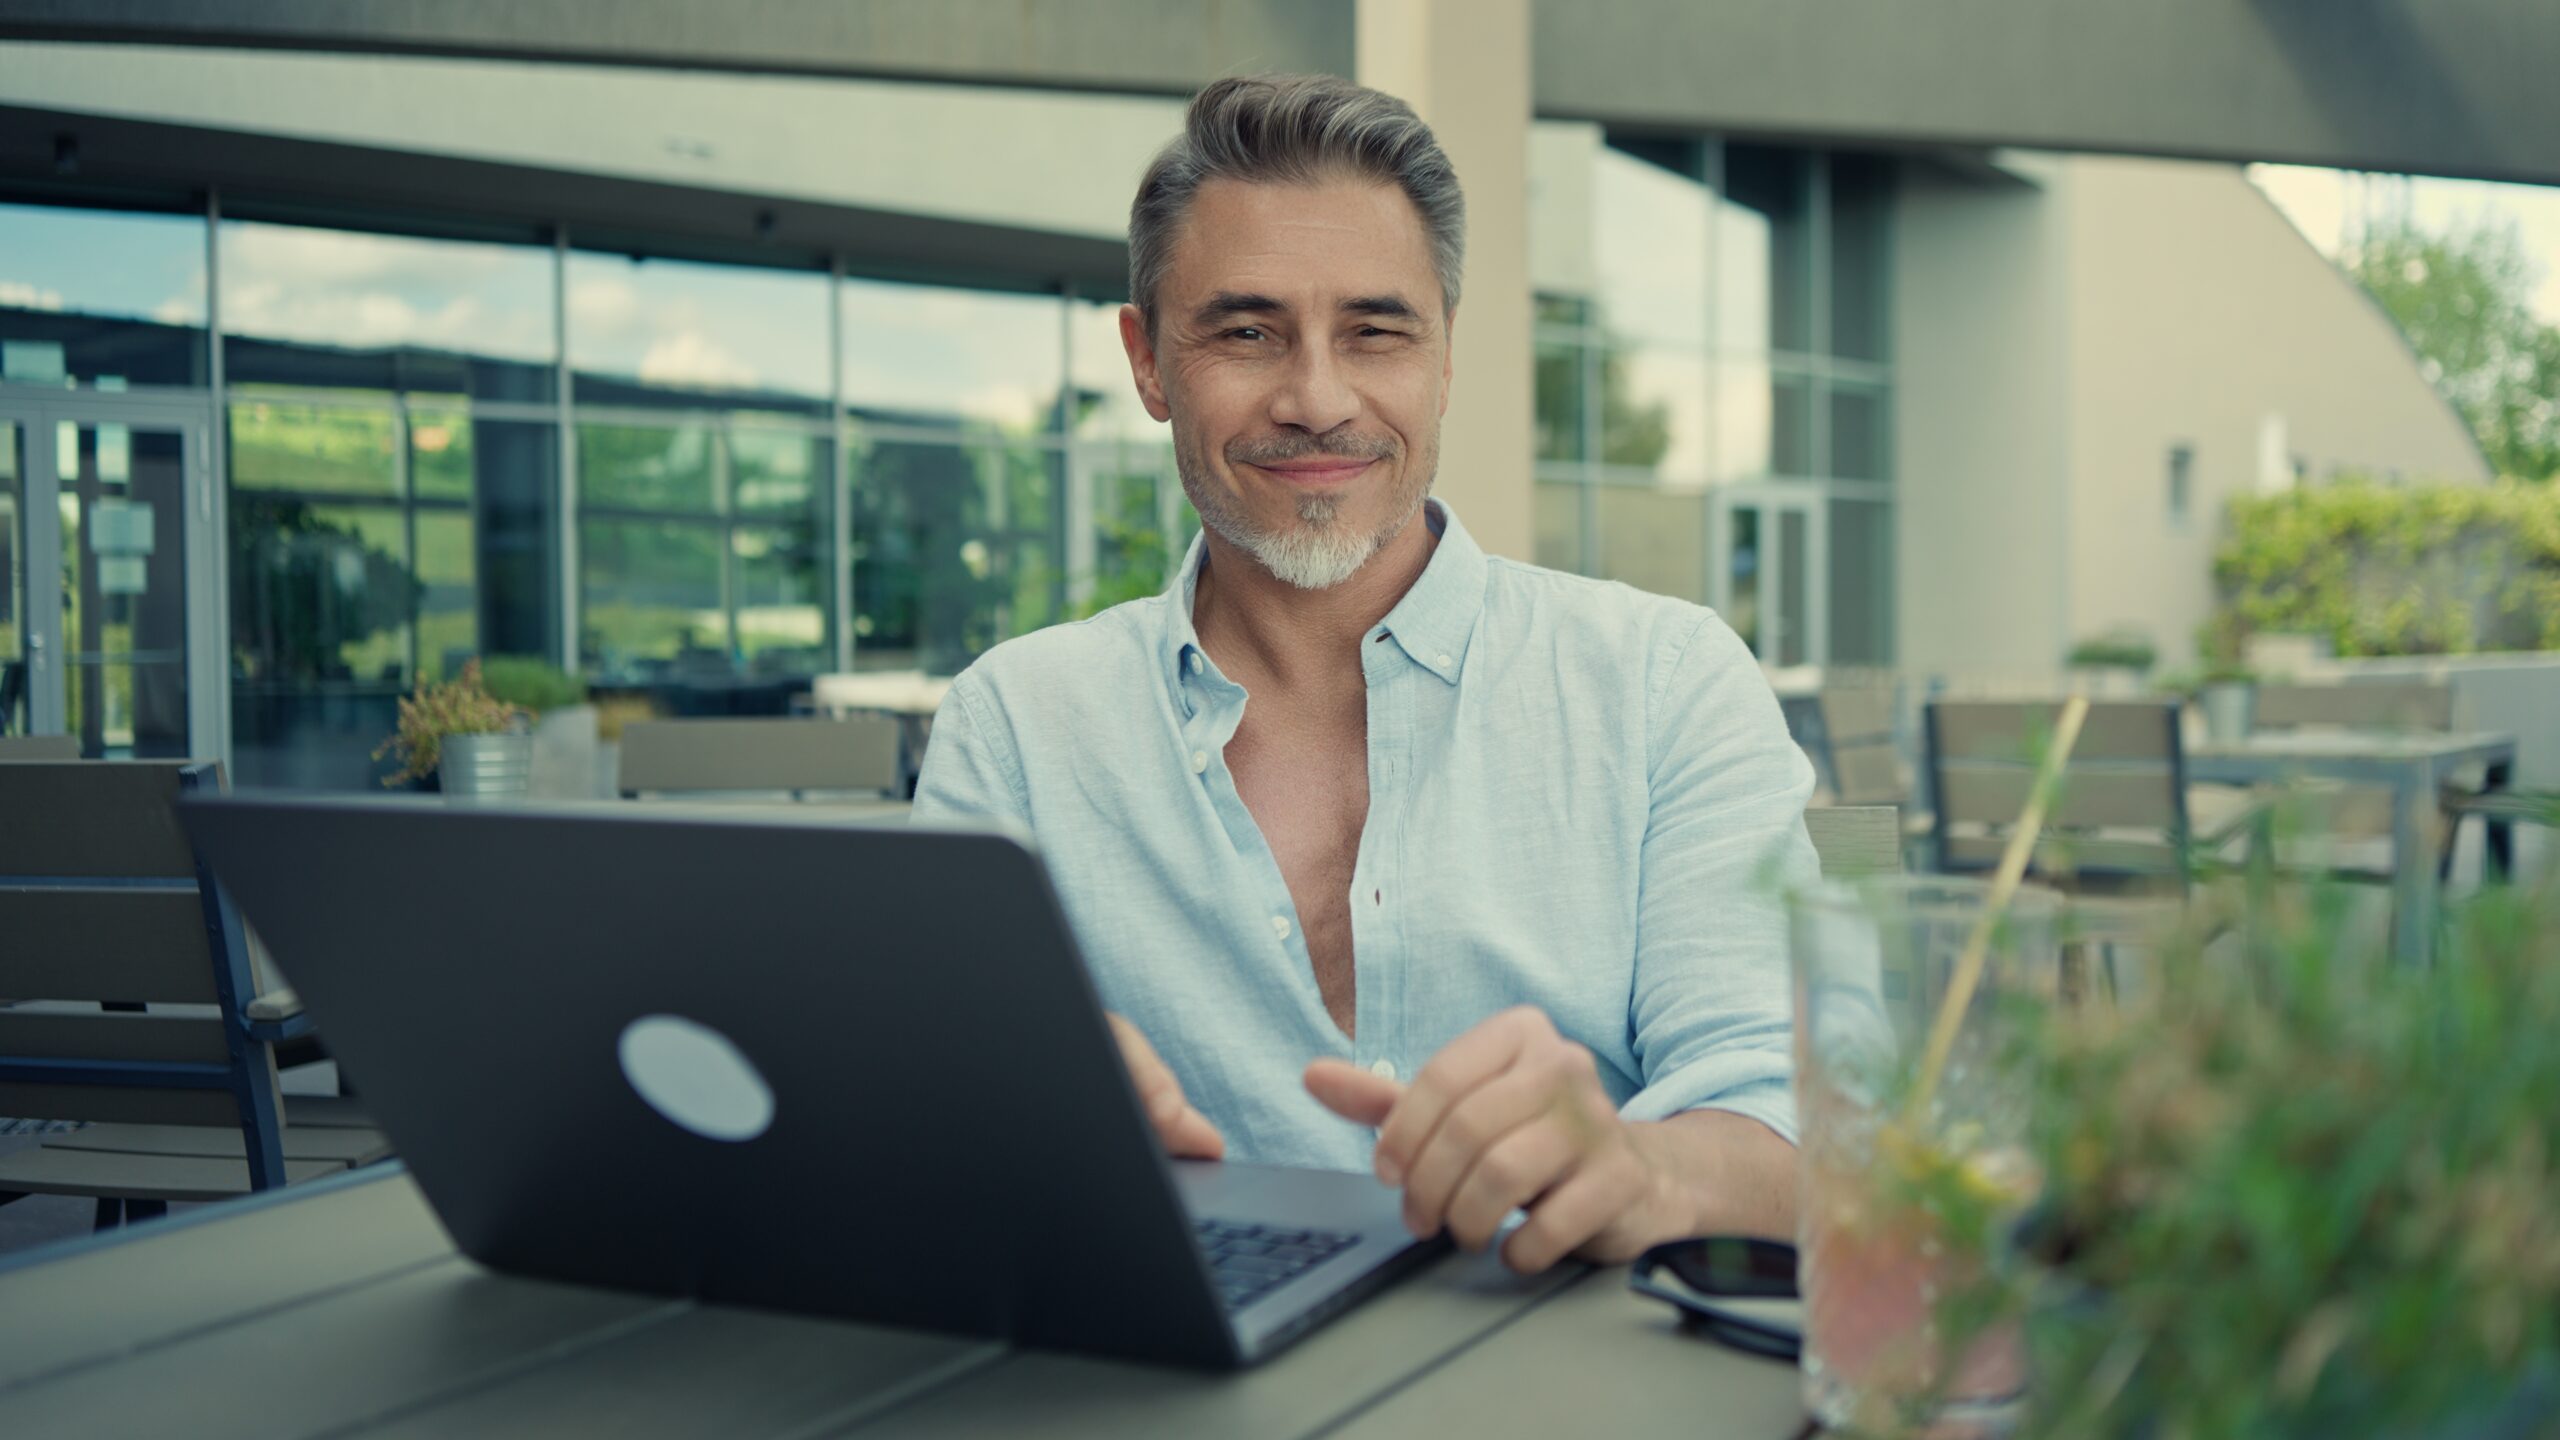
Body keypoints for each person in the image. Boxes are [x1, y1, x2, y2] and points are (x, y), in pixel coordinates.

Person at [914, 74, 1815, 1275]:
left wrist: (1641, 1166)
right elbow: (915, 1130)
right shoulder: (1014, 729)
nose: (1317, 399)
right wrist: (997, 1125)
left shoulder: (1665, 685)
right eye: (1246, 332)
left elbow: (1799, 1128)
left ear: (1443, 358)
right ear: (1146, 363)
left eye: (1375, 332)